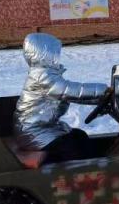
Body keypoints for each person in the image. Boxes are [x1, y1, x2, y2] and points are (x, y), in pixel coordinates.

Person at [13, 32, 110, 163]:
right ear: (42, 53)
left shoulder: (46, 74)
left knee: (79, 136)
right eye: (53, 52)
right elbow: (66, 90)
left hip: (43, 127)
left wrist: (99, 100)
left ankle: (96, 167)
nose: (56, 56)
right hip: (33, 132)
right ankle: (79, 176)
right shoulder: (41, 75)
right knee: (70, 147)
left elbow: (68, 97)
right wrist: (104, 90)